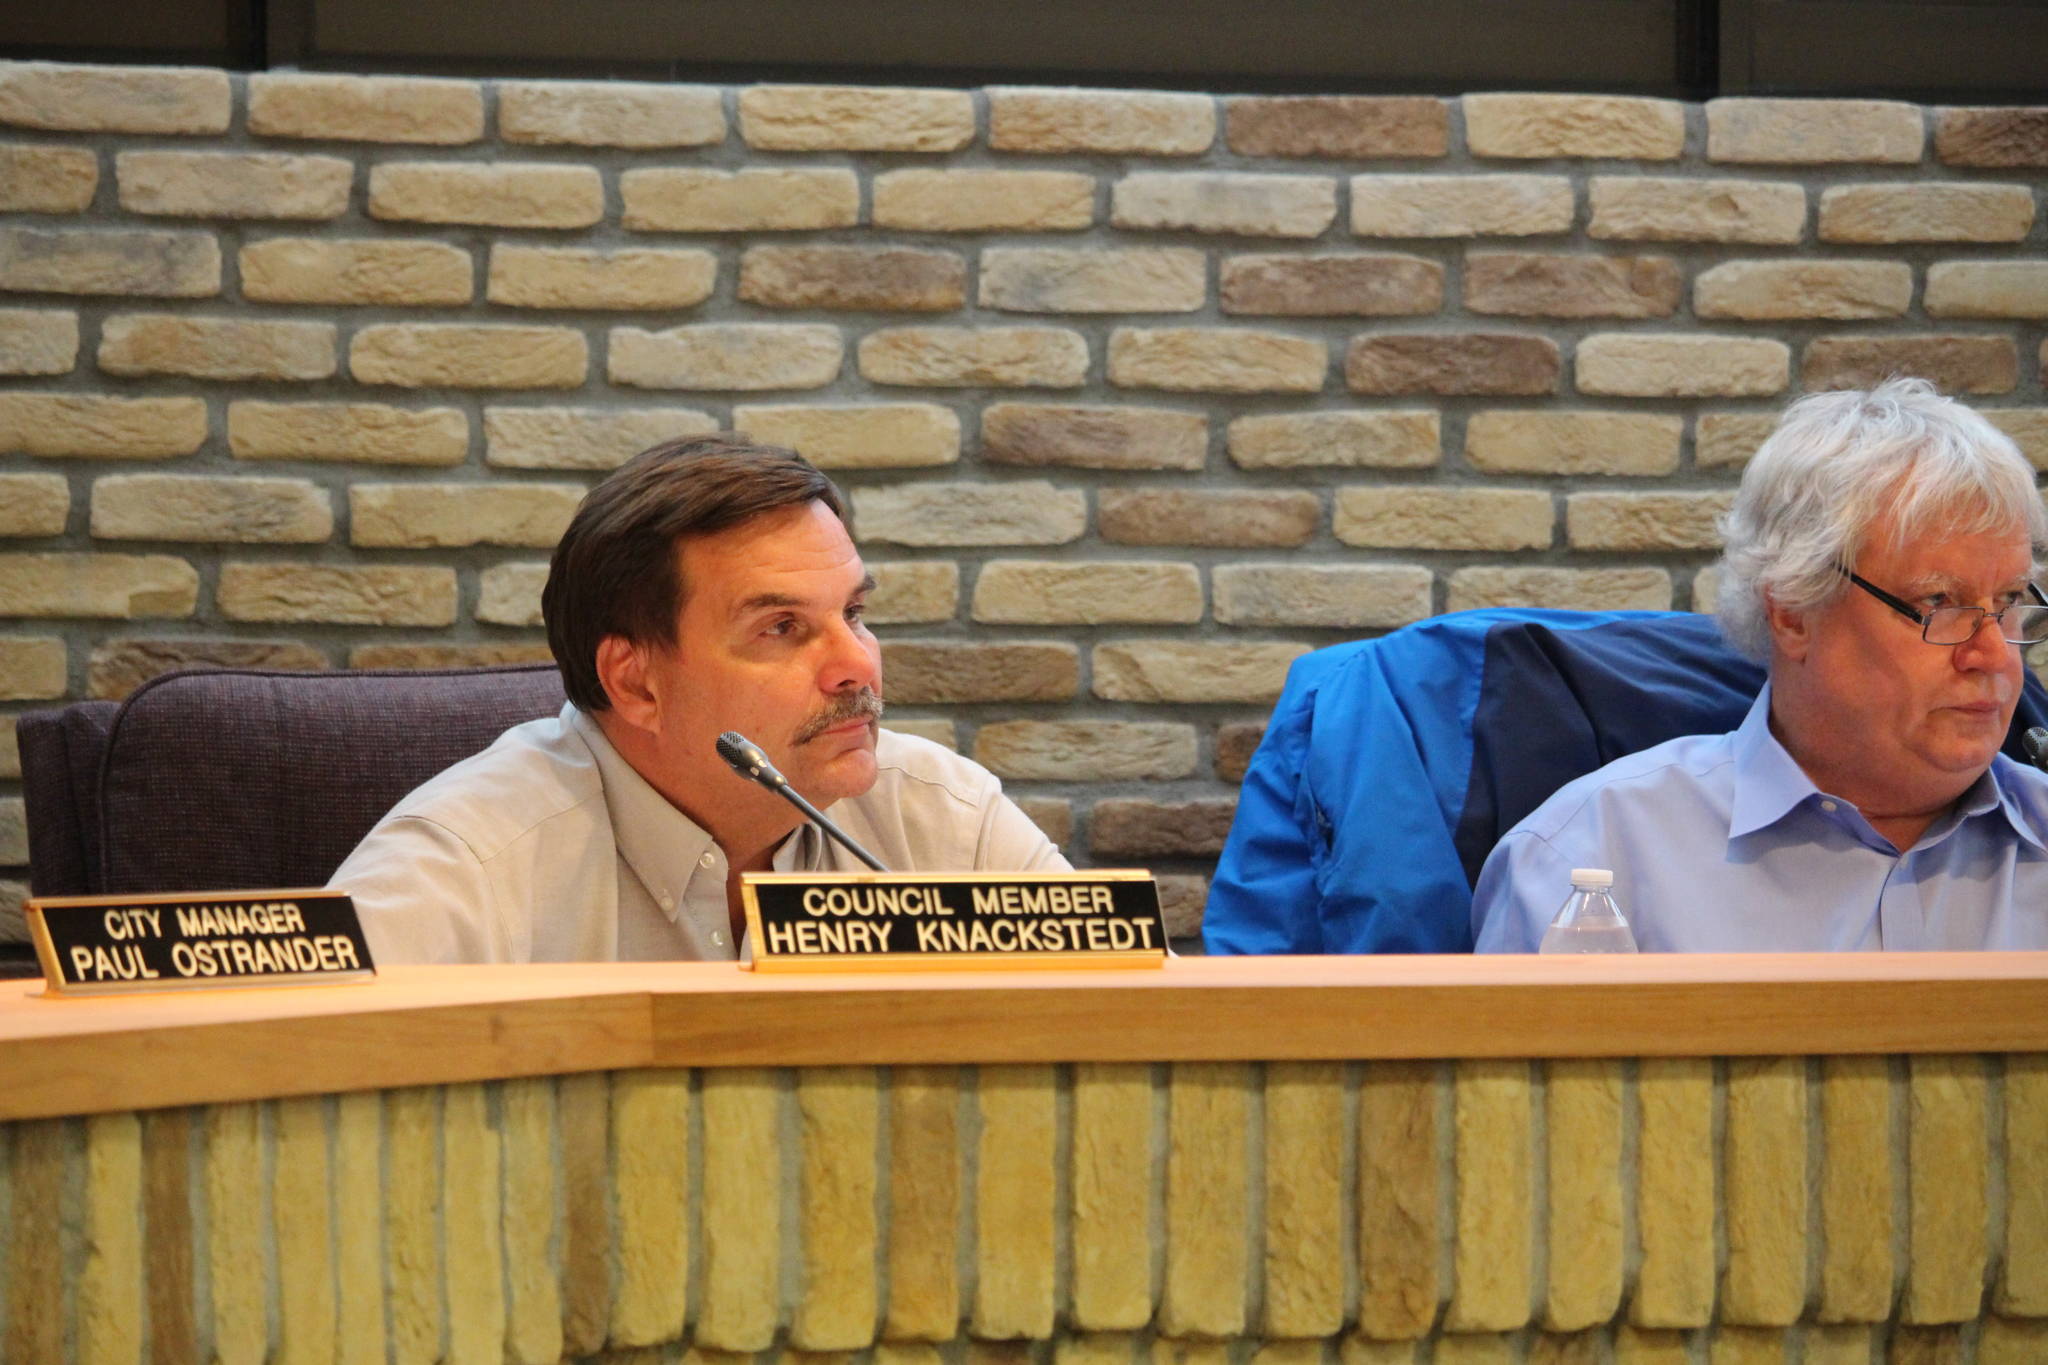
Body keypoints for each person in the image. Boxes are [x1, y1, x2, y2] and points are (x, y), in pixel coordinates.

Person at [334, 434, 1067, 963]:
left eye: (853, 614)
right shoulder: (466, 866)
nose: (856, 666)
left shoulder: (947, 824)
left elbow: (1128, 1029)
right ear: (635, 680)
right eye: (782, 628)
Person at [1473, 378, 2048, 952]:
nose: (1993, 655)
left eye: (2009, 603)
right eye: (1938, 603)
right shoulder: (1594, 855)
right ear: (1794, 613)